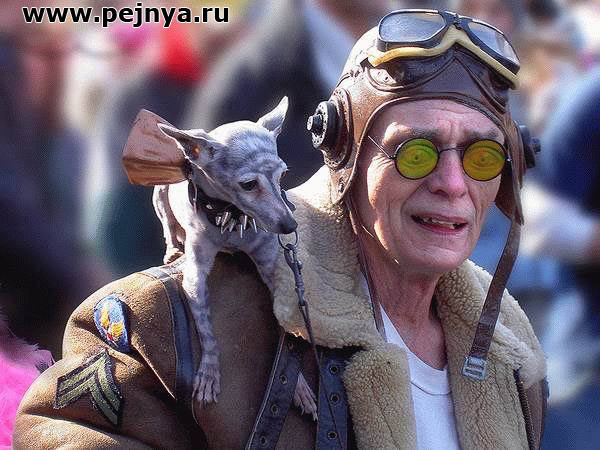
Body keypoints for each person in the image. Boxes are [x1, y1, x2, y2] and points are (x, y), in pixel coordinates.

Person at [14, 9, 547, 449]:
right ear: (345, 156)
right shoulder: (166, 326)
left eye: (481, 157)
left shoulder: (511, 349)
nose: (452, 183)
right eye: (416, 153)